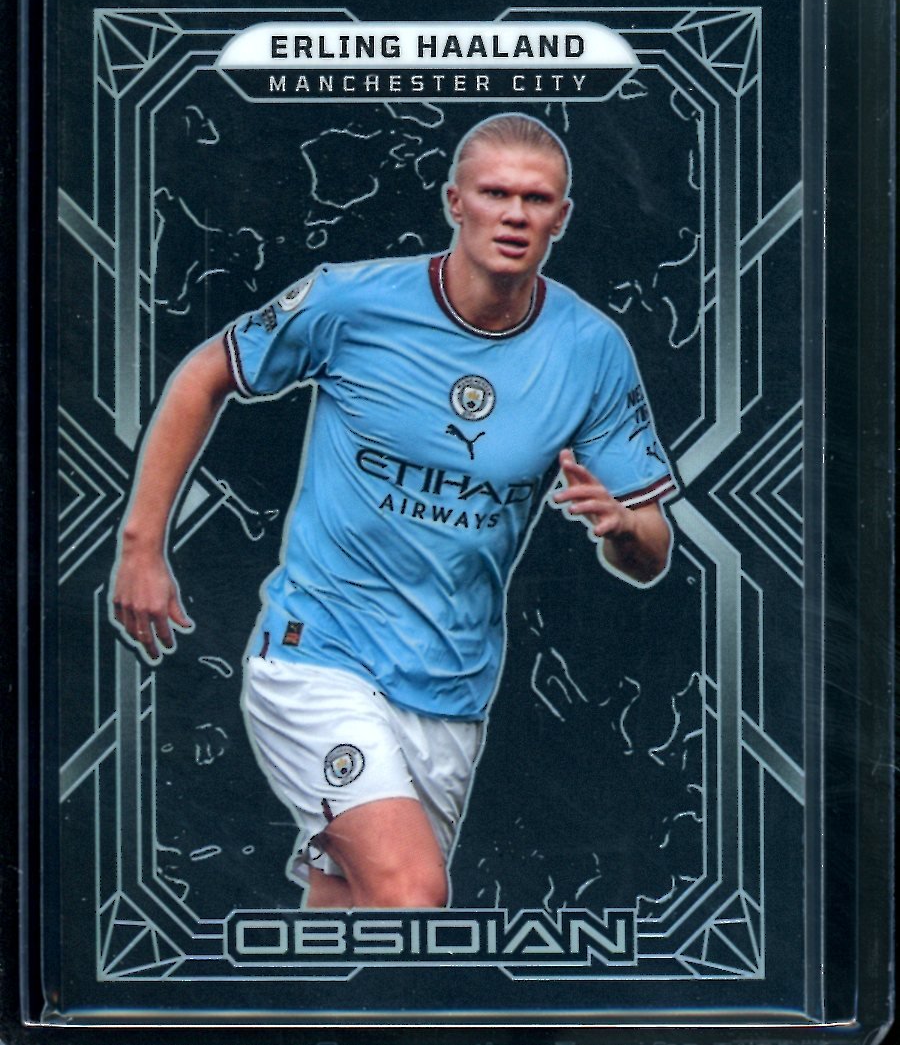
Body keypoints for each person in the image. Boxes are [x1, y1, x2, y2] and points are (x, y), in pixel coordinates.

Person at [111, 113, 677, 911]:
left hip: (453, 691)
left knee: (357, 922)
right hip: (317, 654)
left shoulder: (592, 350)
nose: (514, 214)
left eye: (536, 198)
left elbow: (653, 549)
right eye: (496, 193)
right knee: (411, 892)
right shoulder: (352, 300)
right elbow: (206, 373)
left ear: (562, 216)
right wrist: (142, 546)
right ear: (455, 201)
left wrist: (620, 525)